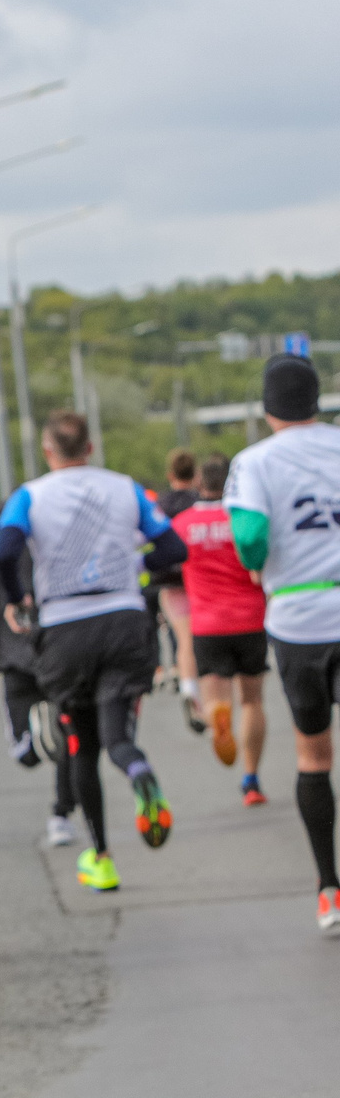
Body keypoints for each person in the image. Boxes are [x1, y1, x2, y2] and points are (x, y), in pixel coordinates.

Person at [0, 410, 186, 893]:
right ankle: (138, 768)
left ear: (47, 451)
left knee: (80, 746)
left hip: (64, 627)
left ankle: (101, 858)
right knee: (118, 737)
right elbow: (174, 549)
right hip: (123, 619)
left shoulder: (29, 496)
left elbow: (4, 550)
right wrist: (135, 569)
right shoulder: (127, 489)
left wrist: (19, 598)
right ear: (91, 447)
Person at [224, 355, 340, 932]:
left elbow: (249, 536)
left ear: (268, 409)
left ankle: (328, 890)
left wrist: (257, 565)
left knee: (314, 756)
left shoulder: (254, 462)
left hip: (299, 621)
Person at [0, 514, 78, 849]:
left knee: (23, 745)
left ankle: (28, 743)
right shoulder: (45, 554)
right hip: (51, 653)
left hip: (10, 659)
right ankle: (61, 815)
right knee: (67, 736)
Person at [172, 452, 270, 805]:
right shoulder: (243, 519)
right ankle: (251, 780)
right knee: (253, 700)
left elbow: (163, 561)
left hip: (207, 624)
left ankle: (217, 715)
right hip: (250, 618)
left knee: (217, 697)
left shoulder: (182, 524)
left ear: (199, 483)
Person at [154, 446, 204, 729]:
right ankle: (210, 693)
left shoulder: (160, 505)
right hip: (201, 578)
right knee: (204, 637)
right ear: (195, 474)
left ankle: (189, 691)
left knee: (184, 639)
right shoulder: (200, 502)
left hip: (172, 582)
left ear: (170, 474)